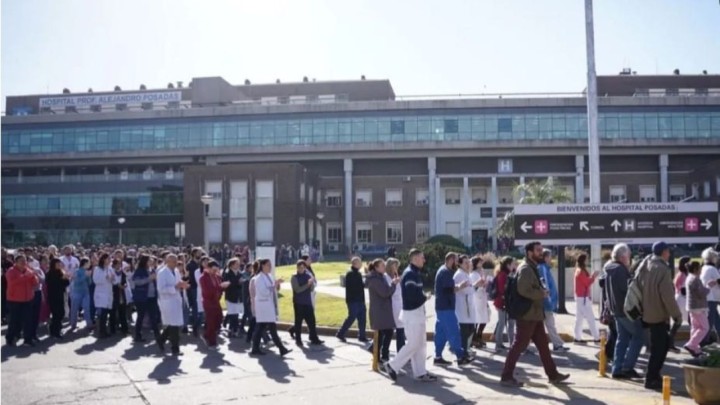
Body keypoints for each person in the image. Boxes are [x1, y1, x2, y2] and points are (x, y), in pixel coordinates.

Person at [500, 241, 570, 388]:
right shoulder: (525, 269)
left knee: (543, 346)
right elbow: (522, 290)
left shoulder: (533, 267)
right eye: (538, 250)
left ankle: (553, 374)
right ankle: (506, 376)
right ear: (529, 253)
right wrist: (541, 293)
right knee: (519, 345)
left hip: (535, 314)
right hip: (527, 315)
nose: (541, 253)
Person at [385, 249, 438, 383]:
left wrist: (422, 297)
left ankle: (420, 373)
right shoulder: (410, 274)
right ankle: (392, 365)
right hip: (412, 314)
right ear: (414, 259)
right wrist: (424, 297)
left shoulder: (415, 273)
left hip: (417, 313)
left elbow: (414, 293)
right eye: (422, 257)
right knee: (414, 344)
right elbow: (411, 296)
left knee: (420, 344)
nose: (424, 260)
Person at [639, 241, 682, 390]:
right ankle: (650, 378)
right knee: (660, 349)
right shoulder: (662, 269)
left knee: (660, 347)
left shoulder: (647, 265)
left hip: (648, 312)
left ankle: (653, 375)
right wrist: (677, 315)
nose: (669, 253)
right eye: (668, 251)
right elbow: (668, 297)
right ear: (663, 252)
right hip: (658, 314)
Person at [604, 243, 644, 380]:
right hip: (626, 310)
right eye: (629, 256)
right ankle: (627, 367)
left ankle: (617, 369)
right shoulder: (620, 270)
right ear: (623, 256)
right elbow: (627, 291)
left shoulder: (609, 269)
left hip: (616, 310)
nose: (630, 258)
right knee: (639, 336)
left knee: (622, 339)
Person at [433, 252, 471, 366]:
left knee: (442, 333)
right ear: (450, 260)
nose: (457, 263)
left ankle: (438, 357)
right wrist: (461, 286)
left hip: (442, 306)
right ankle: (461, 357)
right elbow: (448, 290)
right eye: (456, 260)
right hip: (446, 307)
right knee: (454, 331)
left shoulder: (443, 270)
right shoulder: (445, 272)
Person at [249, 258, 291, 357]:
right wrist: (274, 285)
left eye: (270, 265)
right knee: (269, 328)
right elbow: (263, 292)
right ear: (262, 266)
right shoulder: (258, 278)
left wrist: (277, 284)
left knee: (262, 328)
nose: (270, 267)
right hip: (263, 306)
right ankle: (281, 348)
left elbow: (273, 289)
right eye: (268, 265)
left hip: (268, 306)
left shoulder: (269, 276)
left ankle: (256, 348)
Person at [367, 258, 399, 362]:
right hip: (379, 311)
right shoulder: (375, 279)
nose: (384, 267)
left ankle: (379, 354)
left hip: (382, 310)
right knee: (385, 332)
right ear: (376, 268)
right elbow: (385, 293)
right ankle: (379, 354)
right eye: (382, 266)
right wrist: (393, 284)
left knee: (384, 333)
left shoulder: (380, 277)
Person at [157, 254, 188, 356]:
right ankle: (175, 349)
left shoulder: (176, 271)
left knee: (173, 324)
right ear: (167, 261)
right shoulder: (162, 273)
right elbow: (161, 289)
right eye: (173, 261)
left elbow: (178, 282)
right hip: (168, 302)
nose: (175, 263)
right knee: (174, 325)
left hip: (176, 300)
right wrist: (175, 287)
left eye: (176, 261)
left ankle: (161, 339)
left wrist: (183, 284)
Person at [538, 249, 569, 352]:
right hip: (546, 303)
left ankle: (557, 344)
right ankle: (557, 345)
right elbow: (545, 286)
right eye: (550, 256)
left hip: (546, 303)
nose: (551, 259)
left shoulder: (545, 268)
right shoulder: (543, 269)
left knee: (545, 326)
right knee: (550, 325)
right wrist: (550, 303)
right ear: (545, 257)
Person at [5, 255, 39, 347]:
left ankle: (27, 340)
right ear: (15, 262)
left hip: (28, 299)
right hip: (14, 299)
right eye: (21, 261)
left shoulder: (28, 270)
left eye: (25, 260)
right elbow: (13, 283)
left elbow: (35, 283)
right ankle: (10, 338)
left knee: (28, 320)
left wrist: (34, 276)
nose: (24, 262)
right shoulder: (11, 271)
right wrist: (25, 276)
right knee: (14, 320)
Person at [290, 260, 323, 346]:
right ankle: (298, 339)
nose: (301, 269)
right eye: (300, 267)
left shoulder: (308, 275)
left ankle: (314, 338)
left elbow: (311, 289)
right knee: (298, 322)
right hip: (298, 302)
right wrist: (307, 285)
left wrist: (311, 283)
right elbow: (297, 290)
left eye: (303, 267)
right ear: (297, 268)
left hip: (307, 302)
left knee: (312, 321)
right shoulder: (294, 277)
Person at [336, 257, 368, 343]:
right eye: (360, 262)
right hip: (353, 300)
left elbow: (362, 285)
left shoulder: (358, 274)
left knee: (362, 318)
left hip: (360, 300)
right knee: (352, 317)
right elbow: (356, 286)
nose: (361, 264)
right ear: (355, 264)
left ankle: (362, 335)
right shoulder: (350, 274)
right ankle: (341, 333)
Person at [200, 260, 229, 348]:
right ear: (208, 268)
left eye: (216, 270)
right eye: (213, 270)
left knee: (219, 319)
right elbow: (208, 291)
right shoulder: (203, 278)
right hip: (208, 301)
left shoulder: (217, 277)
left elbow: (218, 289)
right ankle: (212, 342)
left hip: (216, 301)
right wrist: (220, 287)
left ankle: (206, 335)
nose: (215, 272)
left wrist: (224, 287)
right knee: (211, 322)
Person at [132, 254, 161, 343]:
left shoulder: (152, 270)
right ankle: (137, 335)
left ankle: (158, 335)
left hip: (152, 297)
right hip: (142, 297)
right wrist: (149, 279)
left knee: (153, 316)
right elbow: (137, 282)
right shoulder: (139, 270)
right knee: (140, 316)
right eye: (149, 260)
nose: (151, 262)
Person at [453, 255, 477, 360]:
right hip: (462, 307)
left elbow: (470, 289)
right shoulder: (459, 275)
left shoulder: (466, 274)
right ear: (460, 264)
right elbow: (465, 290)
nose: (468, 265)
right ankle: (463, 352)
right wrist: (474, 287)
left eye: (469, 262)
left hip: (468, 307)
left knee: (471, 329)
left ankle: (465, 350)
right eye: (465, 263)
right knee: (464, 331)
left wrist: (474, 286)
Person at [573, 253, 600, 343]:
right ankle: (596, 337)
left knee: (579, 319)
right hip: (583, 298)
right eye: (587, 259)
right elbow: (587, 282)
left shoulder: (579, 270)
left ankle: (577, 338)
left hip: (581, 297)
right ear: (584, 260)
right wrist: (594, 276)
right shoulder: (581, 271)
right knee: (590, 318)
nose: (588, 260)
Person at [684, 261, 709, 357]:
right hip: (698, 307)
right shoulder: (696, 279)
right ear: (695, 269)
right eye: (700, 268)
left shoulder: (689, 277)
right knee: (704, 327)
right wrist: (708, 287)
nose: (701, 270)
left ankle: (695, 348)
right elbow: (701, 293)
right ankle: (691, 345)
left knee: (695, 327)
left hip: (691, 307)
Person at [493, 256, 515, 351]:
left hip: (505, 303)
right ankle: (498, 344)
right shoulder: (503, 275)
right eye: (512, 263)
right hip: (502, 303)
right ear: (508, 264)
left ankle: (508, 344)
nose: (514, 265)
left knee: (508, 323)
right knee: (502, 323)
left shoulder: (507, 274)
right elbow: (503, 290)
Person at [469, 256, 492, 349]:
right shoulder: (473, 274)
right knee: (477, 319)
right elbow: (474, 286)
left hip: (483, 297)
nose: (481, 264)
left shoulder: (481, 272)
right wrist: (481, 282)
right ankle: (474, 338)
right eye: (479, 262)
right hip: (477, 298)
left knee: (485, 317)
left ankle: (479, 335)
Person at [699, 248, 720, 346]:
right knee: (710, 322)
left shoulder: (703, 268)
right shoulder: (712, 269)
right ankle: (704, 342)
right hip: (712, 297)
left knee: (716, 319)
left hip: (706, 297)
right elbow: (718, 281)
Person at [670, 256, 691, 352]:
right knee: (679, 322)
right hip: (682, 300)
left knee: (682, 322)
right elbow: (682, 290)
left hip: (683, 300)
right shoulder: (682, 275)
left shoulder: (684, 274)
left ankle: (693, 342)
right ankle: (670, 343)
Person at [93, 253, 116, 338]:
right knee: (102, 314)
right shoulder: (97, 269)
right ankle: (101, 332)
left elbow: (115, 281)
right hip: (101, 294)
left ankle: (104, 331)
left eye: (110, 258)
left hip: (108, 294)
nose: (110, 260)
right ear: (103, 259)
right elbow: (96, 280)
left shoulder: (110, 269)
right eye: (108, 258)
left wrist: (113, 279)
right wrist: (105, 277)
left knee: (105, 314)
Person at [46, 258, 70, 340]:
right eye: (57, 264)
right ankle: (55, 332)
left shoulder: (61, 272)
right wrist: (61, 279)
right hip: (53, 296)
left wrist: (65, 278)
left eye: (60, 264)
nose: (59, 265)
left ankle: (55, 329)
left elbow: (66, 283)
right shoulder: (49, 273)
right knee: (56, 314)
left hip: (60, 295)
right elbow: (52, 284)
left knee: (61, 313)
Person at [385, 258, 405, 352]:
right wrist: (395, 283)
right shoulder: (386, 277)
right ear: (389, 266)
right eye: (394, 265)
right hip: (393, 306)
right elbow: (389, 291)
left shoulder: (395, 276)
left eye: (397, 265)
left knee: (396, 329)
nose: (396, 267)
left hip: (399, 306)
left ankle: (401, 351)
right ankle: (401, 352)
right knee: (399, 329)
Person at [223, 258, 244, 338]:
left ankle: (235, 329)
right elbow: (227, 283)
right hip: (230, 296)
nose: (238, 265)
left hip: (238, 296)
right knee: (232, 314)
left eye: (239, 263)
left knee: (236, 314)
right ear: (232, 264)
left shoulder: (239, 273)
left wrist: (241, 283)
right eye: (236, 264)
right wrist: (237, 282)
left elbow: (240, 283)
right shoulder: (227, 272)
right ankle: (232, 329)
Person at [70, 258, 93, 330]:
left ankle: (89, 324)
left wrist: (89, 277)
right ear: (85, 263)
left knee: (87, 308)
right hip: (77, 292)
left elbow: (89, 283)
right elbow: (77, 281)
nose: (90, 264)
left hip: (86, 292)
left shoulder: (87, 271)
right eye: (89, 263)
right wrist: (85, 276)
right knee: (75, 308)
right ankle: (73, 324)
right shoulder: (77, 271)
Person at [28, 255, 47, 343]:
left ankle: (34, 334)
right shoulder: (25, 271)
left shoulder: (38, 270)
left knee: (36, 315)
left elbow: (42, 280)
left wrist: (36, 273)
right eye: (29, 261)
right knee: (29, 316)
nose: (32, 262)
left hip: (38, 293)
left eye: (32, 260)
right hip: (28, 294)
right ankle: (28, 336)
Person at [109, 259, 129, 335]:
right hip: (114, 294)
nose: (118, 266)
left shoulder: (122, 273)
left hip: (122, 294)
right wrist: (117, 285)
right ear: (113, 265)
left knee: (123, 313)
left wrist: (124, 285)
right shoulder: (111, 272)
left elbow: (125, 282)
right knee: (113, 313)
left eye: (120, 264)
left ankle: (124, 329)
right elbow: (111, 283)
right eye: (117, 264)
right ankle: (112, 329)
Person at [186, 248, 202, 337]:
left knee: (201, 307)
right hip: (193, 288)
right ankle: (195, 327)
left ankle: (198, 325)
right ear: (194, 254)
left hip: (201, 288)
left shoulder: (200, 264)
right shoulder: (190, 265)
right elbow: (187, 276)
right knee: (195, 307)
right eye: (198, 253)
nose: (200, 254)